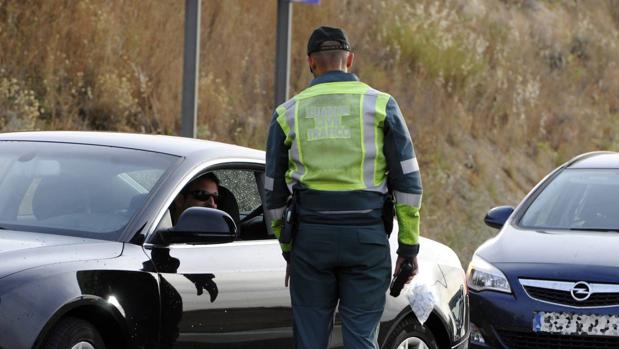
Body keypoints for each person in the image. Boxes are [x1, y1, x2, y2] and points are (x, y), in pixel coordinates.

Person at [265, 26, 423, 349]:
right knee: (362, 338)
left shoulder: (287, 114)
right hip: (366, 241)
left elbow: (273, 192)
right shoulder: (380, 106)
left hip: (311, 241)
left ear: (311, 62)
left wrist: (287, 246)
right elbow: (408, 183)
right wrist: (408, 247)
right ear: (349, 60)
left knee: (309, 340)